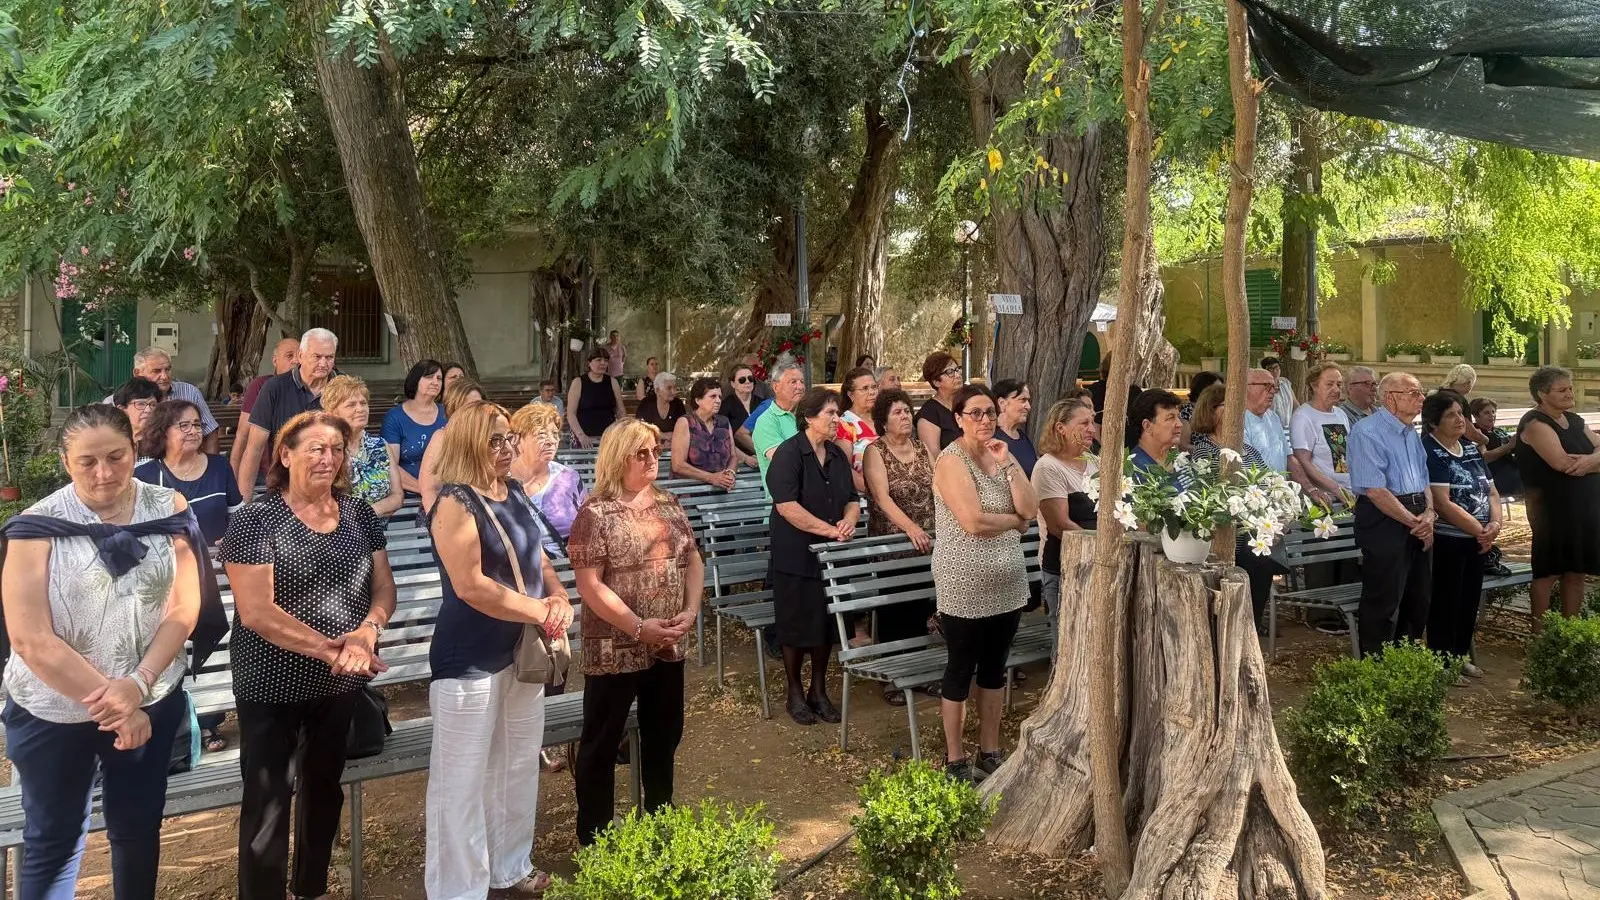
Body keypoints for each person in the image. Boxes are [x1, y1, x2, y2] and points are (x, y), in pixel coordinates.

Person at [0, 405, 207, 900]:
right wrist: (118, 706)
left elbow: (184, 606)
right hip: (54, 710)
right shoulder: (37, 526)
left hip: (150, 698)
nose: (104, 473)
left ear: (135, 451)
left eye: (116, 457)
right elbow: (30, 638)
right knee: (54, 840)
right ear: (65, 462)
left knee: (137, 829)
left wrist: (138, 684)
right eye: (87, 461)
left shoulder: (168, 506)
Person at [220, 410, 396, 900]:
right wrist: (330, 648)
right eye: (316, 448)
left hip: (339, 682)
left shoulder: (358, 513)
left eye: (337, 449)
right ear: (285, 454)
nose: (328, 458)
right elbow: (257, 612)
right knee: (268, 802)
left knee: (324, 789)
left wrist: (368, 632)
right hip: (270, 681)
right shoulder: (255, 519)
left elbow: (384, 587)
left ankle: (311, 889)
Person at [425, 401, 574, 899]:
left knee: (517, 766)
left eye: (509, 437)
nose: (507, 447)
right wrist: (540, 612)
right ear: (469, 444)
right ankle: (458, 890)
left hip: (522, 652)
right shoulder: (455, 501)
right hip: (469, 658)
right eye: (495, 440)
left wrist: (558, 596)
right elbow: (471, 586)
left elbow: (537, 556)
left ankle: (509, 866)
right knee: (461, 782)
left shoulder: (512, 490)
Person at [568, 418, 704, 846]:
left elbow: (693, 560)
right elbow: (590, 585)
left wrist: (690, 611)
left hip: (667, 643)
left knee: (664, 734)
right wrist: (638, 627)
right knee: (602, 742)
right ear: (616, 458)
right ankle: (596, 838)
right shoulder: (595, 513)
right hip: (614, 647)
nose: (651, 459)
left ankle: (660, 819)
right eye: (640, 453)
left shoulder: (669, 503)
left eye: (655, 451)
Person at [932, 384, 1037, 782]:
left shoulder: (1001, 454)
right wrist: (1014, 522)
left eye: (990, 412)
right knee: (961, 668)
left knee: (995, 667)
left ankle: (988, 751)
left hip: (1007, 581)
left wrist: (1008, 463)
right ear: (958, 419)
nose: (985, 419)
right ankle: (955, 758)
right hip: (964, 581)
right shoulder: (951, 460)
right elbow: (973, 521)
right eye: (974, 413)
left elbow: (1030, 507)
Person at [767, 388, 858, 724]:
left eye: (838, 413)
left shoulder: (836, 454)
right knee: (795, 625)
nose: (836, 419)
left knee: (824, 625)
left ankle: (818, 691)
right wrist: (829, 530)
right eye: (830, 413)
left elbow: (852, 498)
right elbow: (787, 507)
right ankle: (794, 691)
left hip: (830, 556)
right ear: (808, 417)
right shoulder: (789, 454)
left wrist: (848, 521)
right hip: (795, 554)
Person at [1348, 372, 1435, 657]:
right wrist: (1414, 522)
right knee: (1384, 598)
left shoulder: (1411, 432)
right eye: (1413, 393)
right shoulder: (1367, 431)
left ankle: (1405, 661)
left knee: (1418, 596)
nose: (1421, 398)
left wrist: (1429, 514)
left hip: (1417, 515)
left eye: (1420, 392)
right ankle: (1375, 664)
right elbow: (1375, 490)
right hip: (1384, 518)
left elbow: (1423, 480)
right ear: (1390, 398)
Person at [862, 388, 938, 704]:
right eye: (898, 412)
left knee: (920, 606)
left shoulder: (922, 448)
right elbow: (881, 498)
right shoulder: (875, 451)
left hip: (927, 541)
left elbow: (939, 486)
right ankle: (893, 678)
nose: (905, 416)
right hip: (893, 542)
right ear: (883, 421)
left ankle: (920, 673)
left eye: (907, 410)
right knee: (895, 610)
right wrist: (910, 528)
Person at [1187, 384, 1284, 630]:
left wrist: (1276, 519)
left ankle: (1252, 626)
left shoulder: (1249, 451)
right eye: (1226, 405)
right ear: (1210, 411)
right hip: (1227, 539)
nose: (1236, 411)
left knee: (1262, 566)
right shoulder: (1204, 453)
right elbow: (1209, 499)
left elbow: (1269, 486)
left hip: (1257, 538)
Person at [1421, 390, 1500, 674]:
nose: (1460, 420)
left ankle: (1459, 656)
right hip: (1449, 540)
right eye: (1451, 415)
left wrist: (1495, 525)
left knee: (1468, 601)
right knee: (1446, 601)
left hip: (1479, 539)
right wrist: (1481, 531)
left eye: (1461, 414)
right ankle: (1441, 661)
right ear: (1434, 422)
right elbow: (1443, 503)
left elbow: (1492, 491)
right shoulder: (1430, 451)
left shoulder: (1469, 448)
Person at [1514, 366, 1600, 622]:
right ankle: (1540, 635)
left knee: (1577, 570)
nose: (1569, 393)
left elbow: (1595, 449)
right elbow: (1564, 464)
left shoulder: (1574, 420)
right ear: (1542, 394)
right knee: (1548, 572)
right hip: (1552, 511)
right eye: (1562, 390)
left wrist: (1590, 460)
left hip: (1584, 508)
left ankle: (1568, 633)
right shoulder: (1535, 424)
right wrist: (1592, 460)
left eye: (1570, 388)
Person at [237, 327, 340, 503]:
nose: (324, 364)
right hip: (285, 488)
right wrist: (243, 506)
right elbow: (254, 449)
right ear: (300, 355)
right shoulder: (274, 388)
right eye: (317, 357)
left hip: (331, 488)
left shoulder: (342, 388)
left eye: (329, 357)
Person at [137, 399, 242, 544]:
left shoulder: (219, 466)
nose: (193, 431)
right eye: (184, 425)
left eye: (197, 425)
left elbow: (238, 515)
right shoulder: (144, 476)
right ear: (162, 432)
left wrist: (234, 536)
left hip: (217, 555)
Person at [1031, 398, 1098, 618]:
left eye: (1092, 422)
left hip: (1099, 563)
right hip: (1065, 567)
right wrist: (1103, 546)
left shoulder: (1095, 461)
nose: (1092, 429)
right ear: (1061, 428)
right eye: (1084, 423)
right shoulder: (1048, 467)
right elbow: (1060, 525)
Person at [509, 402, 589, 558]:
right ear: (518, 440)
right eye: (541, 434)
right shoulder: (500, 479)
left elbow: (589, 524)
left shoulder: (568, 478)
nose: (551, 440)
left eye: (555, 434)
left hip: (565, 565)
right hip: (518, 566)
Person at [102, 347, 221, 452]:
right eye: (156, 371)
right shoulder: (114, 402)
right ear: (138, 373)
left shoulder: (189, 393)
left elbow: (210, 431)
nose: (164, 376)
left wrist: (211, 467)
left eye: (167, 369)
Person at [324, 376, 403, 517]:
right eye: (351, 405)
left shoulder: (380, 445)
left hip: (376, 527)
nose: (360, 409)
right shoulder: (326, 449)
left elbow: (397, 496)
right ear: (332, 413)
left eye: (363, 403)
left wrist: (368, 514)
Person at [232, 337, 300, 482]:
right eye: (289, 356)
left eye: (299, 356)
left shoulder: (308, 390)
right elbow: (242, 436)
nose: (296, 361)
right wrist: (232, 483)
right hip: (267, 473)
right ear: (275, 361)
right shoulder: (261, 385)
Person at [420, 379, 488, 514]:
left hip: (487, 512)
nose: (474, 411)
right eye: (467, 406)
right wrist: (437, 520)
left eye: (479, 405)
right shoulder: (442, 438)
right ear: (453, 409)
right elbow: (429, 489)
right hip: (448, 514)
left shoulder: (492, 437)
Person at [1290, 362, 1353, 507]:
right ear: (1314, 386)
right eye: (1329, 384)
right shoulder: (1303, 416)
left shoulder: (1340, 413)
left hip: (1348, 492)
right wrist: (1336, 489)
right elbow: (1303, 461)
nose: (1336, 389)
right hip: (1327, 499)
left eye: (1339, 384)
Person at [382, 359, 448, 496]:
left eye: (439, 378)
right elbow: (390, 466)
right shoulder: (395, 417)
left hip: (446, 491)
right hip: (409, 494)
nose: (435, 382)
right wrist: (425, 491)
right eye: (429, 377)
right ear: (416, 380)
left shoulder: (448, 414)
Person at [672, 377, 740, 491]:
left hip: (721, 489)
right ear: (698, 400)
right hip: (690, 491)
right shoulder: (685, 422)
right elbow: (678, 465)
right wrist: (711, 478)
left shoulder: (724, 422)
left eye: (720, 397)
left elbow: (733, 456)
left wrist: (731, 473)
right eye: (713, 396)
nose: (718, 400)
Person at [752, 363, 806, 498]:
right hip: (784, 501)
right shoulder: (766, 421)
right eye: (793, 382)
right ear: (776, 387)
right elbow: (784, 461)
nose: (800, 387)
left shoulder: (809, 416)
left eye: (802, 382)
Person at [567, 348, 627, 450]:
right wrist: (581, 435)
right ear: (589, 363)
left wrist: (624, 430)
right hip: (583, 438)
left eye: (606, 360)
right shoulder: (578, 382)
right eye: (599, 360)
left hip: (609, 437)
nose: (603, 363)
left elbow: (620, 410)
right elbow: (571, 414)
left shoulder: (613, 382)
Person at [835, 367, 879, 493]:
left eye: (874, 387)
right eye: (865, 388)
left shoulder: (883, 418)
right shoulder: (844, 424)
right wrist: (876, 492)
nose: (872, 392)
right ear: (851, 395)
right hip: (865, 495)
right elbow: (844, 468)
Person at [915, 351, 964, 459]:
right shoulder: (929, 414)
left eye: (957, 369)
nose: (957, 375)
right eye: (950, 372)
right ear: (936, 382)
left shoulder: (967, 401)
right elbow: (933, 456)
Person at [1244, 368, 1293, 475]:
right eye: (1267, 385)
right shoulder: (1239, 421)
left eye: (1274, 387)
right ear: (1247, 387)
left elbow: (1289, 457)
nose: (1273, 391)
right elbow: (1248, 467)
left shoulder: (1273, 417)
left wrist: (1308, 484)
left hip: (1281, 483)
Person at [1471, 397, 1523, 497]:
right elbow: (1485, 457)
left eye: (1493, 412)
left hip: (1513, 471)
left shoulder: (1499, 431)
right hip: (1497, 477)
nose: (1492, 415)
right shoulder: (1476, 433)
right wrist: (1508, 446)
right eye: (1486, 413)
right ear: (1476, 416)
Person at [1127, 389, 1183, 473]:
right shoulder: (1134, 471)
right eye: (1170, 418)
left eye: (1178, 417)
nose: (1180, 424)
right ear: (1147, 426)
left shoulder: (1181, 461)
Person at [992, 379, 1036, 478]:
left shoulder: (1022, 437)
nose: (1028, 407)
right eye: (1023, 400)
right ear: (1002, 403)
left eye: (1028, 401)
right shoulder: (991, 437)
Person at [112, 377, 163, 457]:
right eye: (141, 404)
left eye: (153, 404)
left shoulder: (163, 443)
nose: (148, 410)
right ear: (122, 409)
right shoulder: (111, 442)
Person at [1087, 354, 1141, 427]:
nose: (1133, 373)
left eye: (1133, 368)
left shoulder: (1135, 392)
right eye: (1129, 368)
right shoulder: (1095, 390)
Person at [1178, 370, 1224, 451]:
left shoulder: (1219, 409)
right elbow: (1183, 445)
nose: (1220, 393)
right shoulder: (1186, 413)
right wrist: (1209, 450)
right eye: (1216, 389)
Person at [722, 364, 761, 453]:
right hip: (738, 456)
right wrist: (746, 458)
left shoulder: (762, 403)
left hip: (764, 453)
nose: (747, 382)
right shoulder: (725, 406)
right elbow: (723, 440)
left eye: (750, 378)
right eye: (742, 380)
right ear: (733, 384)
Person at [637, 371, 685, 440]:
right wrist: (662, 435)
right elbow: (640, 428)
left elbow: (683, 427)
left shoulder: (678, 403)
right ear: (657, 390)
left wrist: (673, 439)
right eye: (669, 388)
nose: (673, 392)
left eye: (675, 388)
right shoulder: (646, 403)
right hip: (651, 443)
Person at [1262, 356, 1297, 425]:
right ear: (1265, 371)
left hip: (1288, 426)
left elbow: (1295, 404)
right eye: (1270, 369)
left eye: (1276, 367)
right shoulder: (1263, 387)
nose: (1275, 371)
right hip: (1270, 427)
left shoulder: (1285, 382)